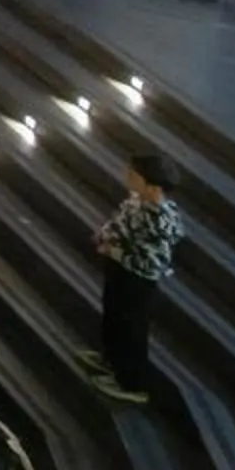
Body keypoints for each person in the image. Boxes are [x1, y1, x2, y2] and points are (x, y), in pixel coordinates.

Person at [81, 151, 184, 406]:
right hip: (119, 272)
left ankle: (131, 383)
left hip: (137, 282)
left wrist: (113, 251)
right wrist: (105, 235)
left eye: (133, 175)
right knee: (112, 315)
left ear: (152, 185)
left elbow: (152, 264)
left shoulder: (159, 222)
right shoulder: (137, 201)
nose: (127, 177)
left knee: (131, 330)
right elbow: (120, 221)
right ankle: (110, 360)